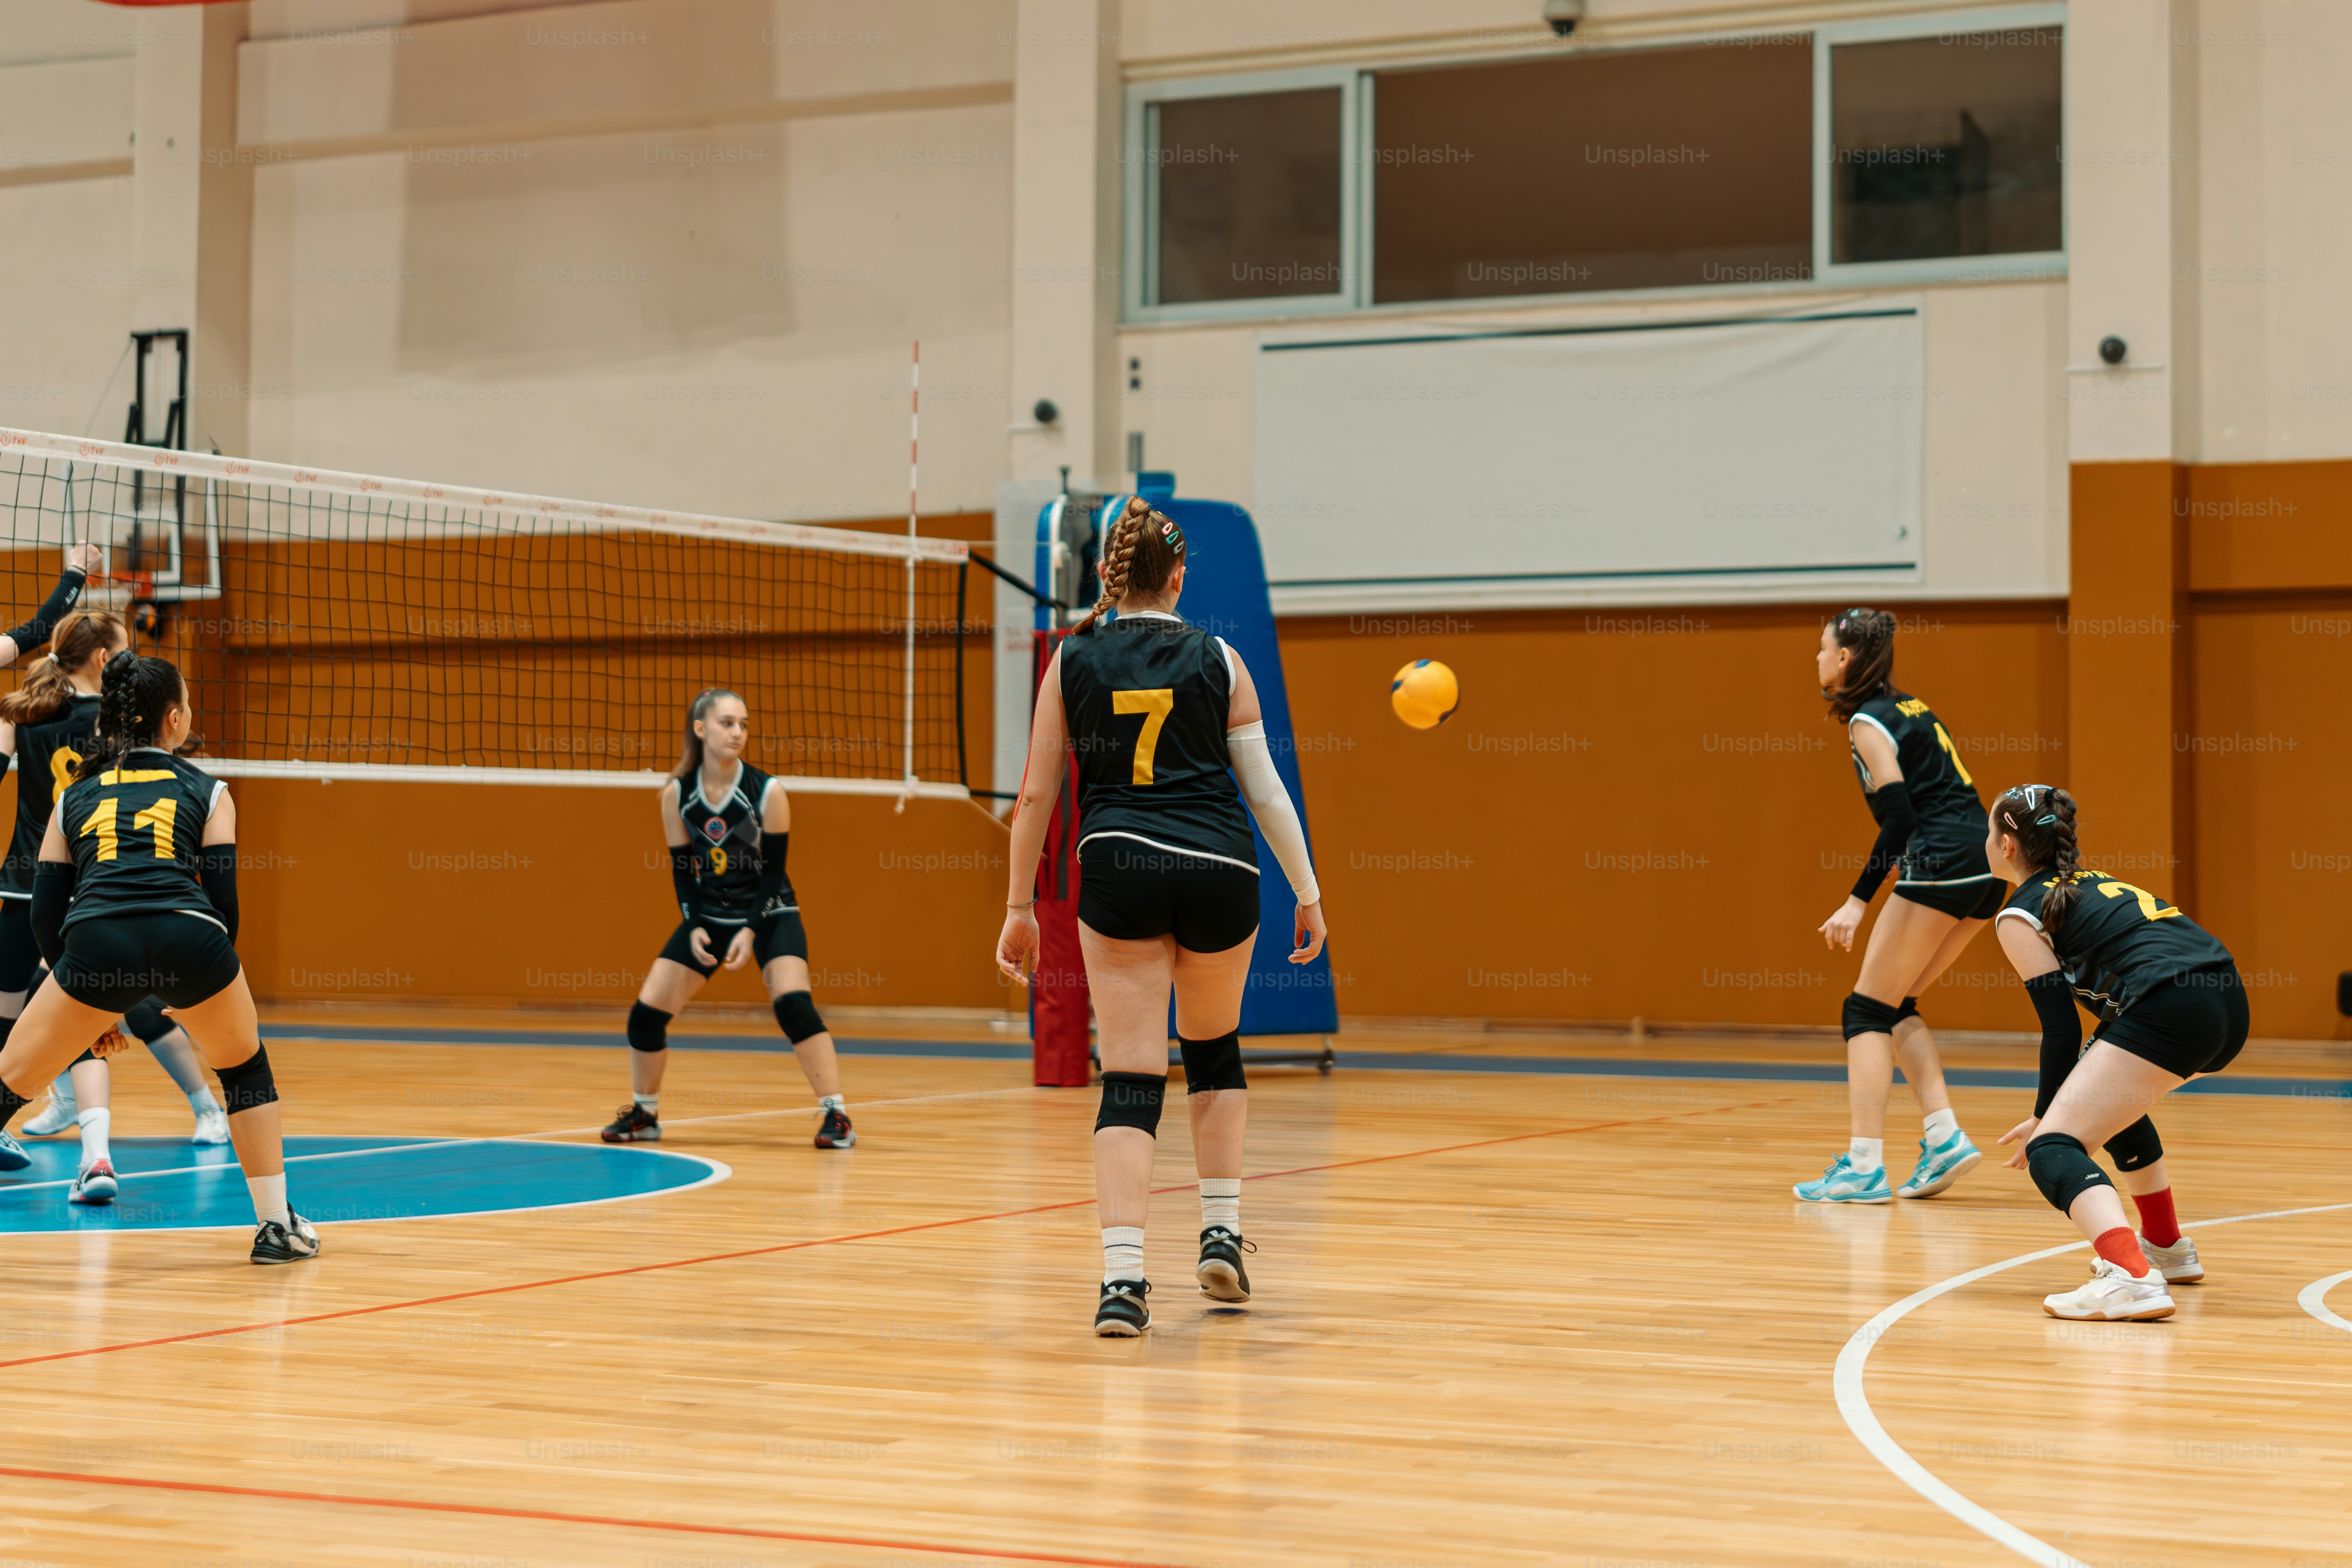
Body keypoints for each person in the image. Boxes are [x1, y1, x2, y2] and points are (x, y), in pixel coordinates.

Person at [995, 495, 1327, 1336]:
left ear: (1110, 575)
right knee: (1213, 1052)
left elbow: (1035, 792)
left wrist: (1018, 905)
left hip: (1119, 871)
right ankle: (1220, 1229)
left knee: (1133, 1076)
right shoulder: (1221, 657)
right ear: (1179, 577)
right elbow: (1264, 788)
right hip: (1221, 867)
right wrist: (1309, 890)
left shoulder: (1070, 659)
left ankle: (1123, 1283)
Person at [0, 650, 317, 1261]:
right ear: (175, 719)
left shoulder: (74, 798)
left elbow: (45, 913)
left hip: (95, 943)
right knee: (244, 1070)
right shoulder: (211, 790)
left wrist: (85, 1005)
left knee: (9, 1083)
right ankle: (276, 1228)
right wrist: (190, 993)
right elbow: (224, 907)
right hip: (191, 938)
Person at [1986, 784, 2241, 1321]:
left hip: (2172, 1003)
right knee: (2114, 1109)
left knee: (2054, 1149)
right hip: (2227, 1000)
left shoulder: (2019, 914)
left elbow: (2059, 1029)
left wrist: (2043, 1118)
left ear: (2008, 846)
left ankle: (2131, 1275)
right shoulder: (2095, 883)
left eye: (1990, 832)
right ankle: (2167, 1249)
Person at [1, 610, 231, 1165]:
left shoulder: (22, 711)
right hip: (99, 882)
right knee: (130, 1005)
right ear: (107, 660)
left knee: (21, 1012)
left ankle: (61, 1113)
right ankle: (196, 1111)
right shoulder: (116, 724)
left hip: (26, 884)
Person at [603, 689, 852, 1149]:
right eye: (726, 723)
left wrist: (750, 928)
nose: (737, 731)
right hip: (712, 915)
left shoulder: (767, 791)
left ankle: (836, 1114)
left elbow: (774, 871)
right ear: (701, 729)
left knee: (793, 1005)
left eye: (743, 724)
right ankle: (645, 1113)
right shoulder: (677, 794)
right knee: (645, 1017)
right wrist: (694, 923)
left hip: (771, 912)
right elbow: (683, 871)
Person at [1798, 610, 1989, 1204]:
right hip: (1986, 867)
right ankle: (1944, 1136)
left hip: (1940, 866)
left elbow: (1904, 815)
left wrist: (1857, 902)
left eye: (1823, 649)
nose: (1818, 659)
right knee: (1896, 1002)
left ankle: (1863, 1166)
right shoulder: (1911, 706)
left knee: (1864, 1011)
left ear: (1847, 658)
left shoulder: (1867, 722)